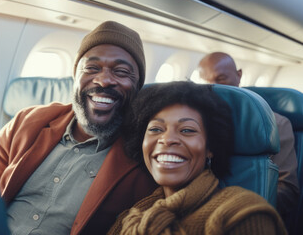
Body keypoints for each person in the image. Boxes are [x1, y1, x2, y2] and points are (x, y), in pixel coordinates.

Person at [0, 21, 157, 235]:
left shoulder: (144, 155)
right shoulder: (28, 121)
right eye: (92, 68)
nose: (103, 81)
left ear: (137, 87)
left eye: (121, 72)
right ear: (76, 76)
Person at [108, 81, 287, 235]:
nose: (167, 139)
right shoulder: (133, 215)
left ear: (210, 147)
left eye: (187, 130)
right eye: (156, 129)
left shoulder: (243, 213)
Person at [197, 51, 299, 219]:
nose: (214, 89)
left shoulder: (275, 124)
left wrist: (237, 210)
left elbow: (287, 190)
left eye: (221, 79)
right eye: (206, 83)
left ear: (239, 76)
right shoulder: (195, 124)